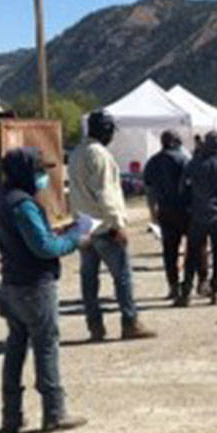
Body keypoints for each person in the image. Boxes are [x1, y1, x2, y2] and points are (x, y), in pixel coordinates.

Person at [0, 148, 88, 433]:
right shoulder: (23, 205)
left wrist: (56, 233)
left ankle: (11, 414)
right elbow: (44, 248)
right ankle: (55, 412)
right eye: (39, 170)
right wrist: (75, 238)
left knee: (15, 347)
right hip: (33, 285)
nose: (43, 177)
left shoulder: (1, 200)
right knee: (46, 345)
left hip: (10, 284)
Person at [69, 110, 156, 341]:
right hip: (105, 227)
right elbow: (105, 193)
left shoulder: (77, 153)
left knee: (89, 281)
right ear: (106, 131)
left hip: (84, 226)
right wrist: (117, 224)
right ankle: (130, 322)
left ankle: (95, 327)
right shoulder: (99, 155)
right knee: (122, 277)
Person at [178, 131, 217, 306]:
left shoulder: (194, 164)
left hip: (197, 215)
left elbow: (182, 188)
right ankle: (216, 291)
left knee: (192, 254)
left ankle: (186, 291)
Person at [143, 131, 192, 299]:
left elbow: (149, 190)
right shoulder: (183, 159)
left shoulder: (152, 161)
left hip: (164, 210)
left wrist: (152, 211)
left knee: (169, 251)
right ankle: (192, 282)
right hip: (185, 210)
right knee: (193, 247)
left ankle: (173, 286)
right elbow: (191, 184)